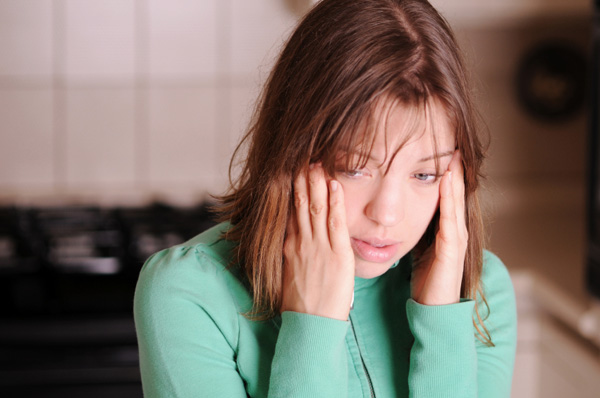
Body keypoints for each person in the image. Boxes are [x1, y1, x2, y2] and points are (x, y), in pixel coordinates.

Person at [133, 0, 517, 397]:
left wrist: (442, 326)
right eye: (354, 168)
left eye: (424, 174)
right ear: (294, 151)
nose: (386, 214)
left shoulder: (481, 291)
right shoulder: (188, 294)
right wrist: (312, 328)